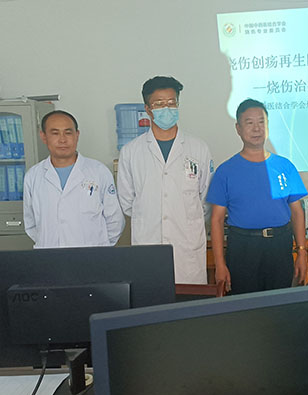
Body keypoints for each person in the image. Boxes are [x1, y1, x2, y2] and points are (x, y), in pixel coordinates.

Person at [117, 76, 213, 284]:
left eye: (171, 102)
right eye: (159, 104)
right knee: (150, 297)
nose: (166, 109)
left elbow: (206, 200)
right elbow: (127, 202)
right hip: (148, 245)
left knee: (189, 300)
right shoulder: (131, 152)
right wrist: (151, 213)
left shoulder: (198, 148)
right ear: (148, 109)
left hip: (187, 248)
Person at [207, 99, 308, 294]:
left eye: (261, 122)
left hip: (280, 246)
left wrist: (302, 252)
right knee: (246, 307)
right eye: (249, 123)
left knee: (279, 305)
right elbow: (216, 220)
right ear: (238, 128)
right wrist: (219, 264)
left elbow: (297, 212)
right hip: (242, 248)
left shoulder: (285, 166)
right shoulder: (225, 171)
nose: (256, 128)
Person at [23, 110, 124, 248]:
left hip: (93, 255)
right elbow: (31, 224)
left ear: (77, 135)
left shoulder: (99, 171)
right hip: (49, 254)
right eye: (55, 133)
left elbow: (115, 221)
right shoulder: (33, 176)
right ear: (44, 137)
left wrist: (100, 249)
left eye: (68, 133)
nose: (62, 140)